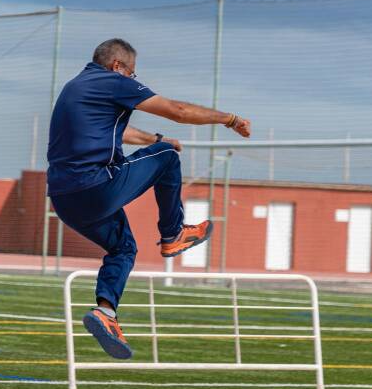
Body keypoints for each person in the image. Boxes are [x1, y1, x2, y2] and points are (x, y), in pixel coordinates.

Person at [46, 38, 251, 359]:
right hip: (96, 186)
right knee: (167, 156)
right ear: (117, 66)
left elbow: (119, 133)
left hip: (64, 199)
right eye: (132, 73)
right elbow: (178, 111)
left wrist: (156, 138)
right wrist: (230, 119)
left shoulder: (75, 88)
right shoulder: (113, 81)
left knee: (124, 248)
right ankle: (173, 234)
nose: (133, 80)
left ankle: (105, 313)